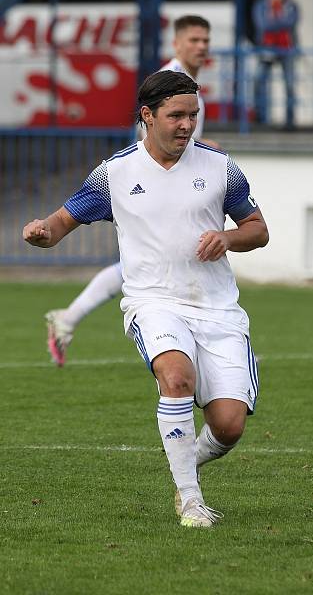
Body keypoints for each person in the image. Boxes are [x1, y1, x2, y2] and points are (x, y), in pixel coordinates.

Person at [23, 70, 270, 528]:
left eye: (193, 115)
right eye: (176, 115)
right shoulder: (114, 173)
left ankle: (185, 463)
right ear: (147, 115)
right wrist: (40, 233)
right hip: (153, 303)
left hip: (218, 308)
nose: (186, 125)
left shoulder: (221, 167)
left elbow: (259, 229)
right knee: (176, 377)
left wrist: (229, 238)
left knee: (230, 424)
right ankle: (190, 500)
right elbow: (59, 224)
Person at [44, 15, 219, 367]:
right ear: (177, 43)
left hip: (174, 186)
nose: (201, 47)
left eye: (206, 41)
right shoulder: (172, 81)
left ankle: (68, 318)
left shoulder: (190, 82)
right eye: (194, 40)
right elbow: (153, 143)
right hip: (151, 187)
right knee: (145, 265)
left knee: (141, 265)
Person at [252, 0, 300, 130]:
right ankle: (261, 119)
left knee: (290, 85)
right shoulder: (261, 4)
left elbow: (292, 22)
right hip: (267, 48)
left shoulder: (291, 4)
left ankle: (290, 122)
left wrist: (274, 20)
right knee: (259, 81)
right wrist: (280, 22)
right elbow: (263, 24)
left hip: (287, 49)